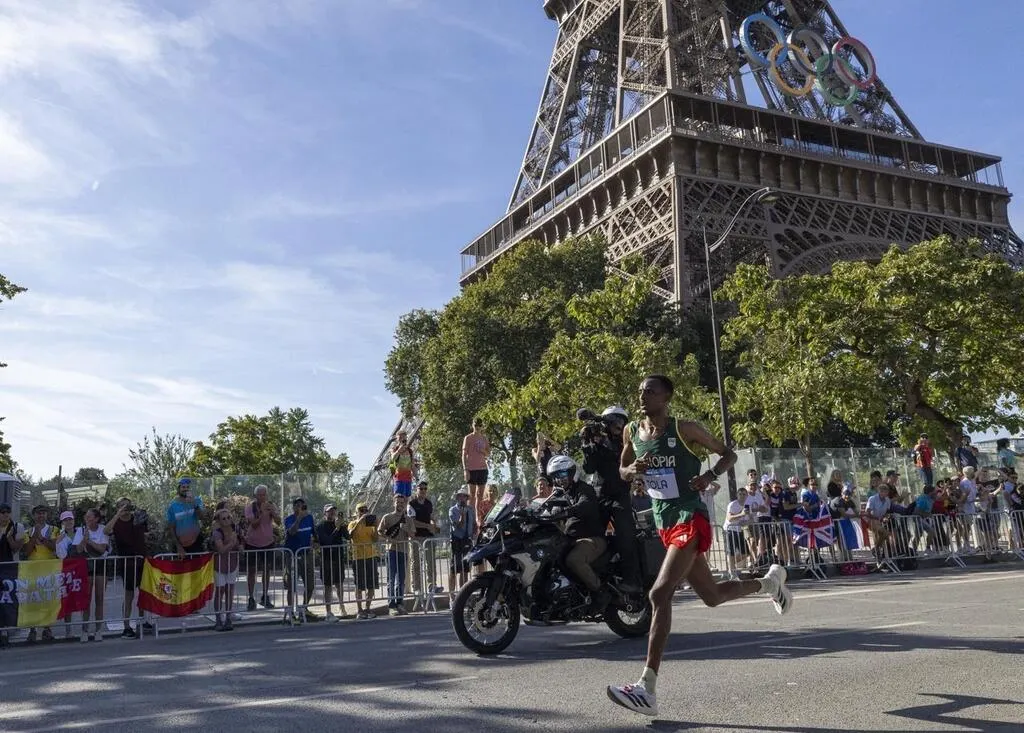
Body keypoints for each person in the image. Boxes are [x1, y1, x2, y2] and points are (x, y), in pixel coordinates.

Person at [607, 374, 792, 717]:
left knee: (659, 594)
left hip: (690, 517)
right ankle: (770, 581)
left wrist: (708, 476)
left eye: (650, 391)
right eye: (640, 391)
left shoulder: (686, 429)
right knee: (712, 596)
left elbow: (729, 455)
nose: (643, 395)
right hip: (665, 521)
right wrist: (631, 469)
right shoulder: (632, 431)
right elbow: (622, 469)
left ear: (667, 398)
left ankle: (646, 688)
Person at [580, 405, 642, 593]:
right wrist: (587, 444)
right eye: (614, 420)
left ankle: (632, 580)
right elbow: (589, 468)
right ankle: (591, 575)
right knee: (589, 534)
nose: (619, 424)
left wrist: (601, 441)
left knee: (626, 535)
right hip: (600, 495)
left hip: (620, 496)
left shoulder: (626, 444)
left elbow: (621, 458)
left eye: (621, 420)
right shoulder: (598, 442)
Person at [545, 454, 610, 613]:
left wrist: (565, 511)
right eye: (555, 476)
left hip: (592, 539)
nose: (559, 480)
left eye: (562, 475)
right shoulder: (561, 493)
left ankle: (600, 592)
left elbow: (585, 505)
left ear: (572, 472)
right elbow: (545, 506)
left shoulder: (584, 489)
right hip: (570, 540)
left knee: (574, 560)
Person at [103, 498, 150, 639]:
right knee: (128, 595)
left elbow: (145, 533)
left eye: (127, 505)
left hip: (141, 559)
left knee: (143, 593)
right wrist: (117, 514)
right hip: (127, 562)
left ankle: (143, 621)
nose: (125, 508)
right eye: (121, 505)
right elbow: (106, 530)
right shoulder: (116, 522)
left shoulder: (137, 519)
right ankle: (126, 625)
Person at [22, 504, 58, 643]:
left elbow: (54, 546)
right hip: (33, 570)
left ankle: (47, 629)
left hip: (49, 569)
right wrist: (34, 536)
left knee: (48, 600)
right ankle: (32, 629)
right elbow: (27, 551)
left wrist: (42, 539)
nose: (40, 516)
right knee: (33, 600)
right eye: (38, 513)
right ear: (34, 516)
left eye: (43, 513)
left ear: (47, 515)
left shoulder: (54, 530)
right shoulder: (28, 531)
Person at [74, 508, 110, 642]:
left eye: (90, 517)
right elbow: (78, 549)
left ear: (96, 518)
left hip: (101, 565)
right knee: (86, 599)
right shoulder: (80, 530)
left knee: (99, 598)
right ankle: (84, 630)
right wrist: (84, 539)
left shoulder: (103, 529)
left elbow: (102, 549)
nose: (87, 519)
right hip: (86, 566)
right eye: (86, 516)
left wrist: (89, 541)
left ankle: (98, 629)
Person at [244, 484, 280, 611]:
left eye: (264, 494)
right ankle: (251, 598)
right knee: (252, 571)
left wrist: (273, 513)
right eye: (260, 494)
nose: (262, 497)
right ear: (255, 495)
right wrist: (261, 512)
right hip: (252, 543)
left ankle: (265, 596)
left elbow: (279, 522)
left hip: (268, 543)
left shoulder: (271, 505)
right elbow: (253, 524)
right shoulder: (250, 507)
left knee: (266, 570)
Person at [377, 494, 414, 616]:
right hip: (391, 550)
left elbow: (412, 535)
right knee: (391, 579)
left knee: (401, 579)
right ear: (394, 503)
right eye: (398, 502)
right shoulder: (387, 517)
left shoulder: (408, 519)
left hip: (403, 551)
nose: (400, 504)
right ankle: (391, 605)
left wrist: (405, 529)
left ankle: (400, 603)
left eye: (402, 503)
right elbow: (379, 531)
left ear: (405, 504)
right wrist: (388, 538)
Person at [283, 497, 318, 624]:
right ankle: (290, 612)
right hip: (292, 556)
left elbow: (314, 533)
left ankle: (303, 609)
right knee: (291, 586)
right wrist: (298, 518)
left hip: (306, 554)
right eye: (298, 506)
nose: (300, 508)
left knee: (310, 584)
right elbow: (291, 532)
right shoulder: (288, 519)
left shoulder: (309, 518)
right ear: (294, 507)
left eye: (303, 506)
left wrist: (315, 542)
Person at [315, 504, 350, 621]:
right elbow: (327, 541)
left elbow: (348, 537)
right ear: (325, 513)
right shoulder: (320, 526)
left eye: (333, 511)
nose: (332, 513)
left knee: (339, 583)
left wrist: (342, 526)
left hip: (338, 557)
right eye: (329, 511)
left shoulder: (339, 524)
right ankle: (328, 611)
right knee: (328, 585)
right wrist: (336, 528)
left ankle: (342, 606)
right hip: (326, 559)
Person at [408, 481, 439, 602]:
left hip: (429, 537)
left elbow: (431, 517)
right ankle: (417, 588)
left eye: (425, 489)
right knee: (415, 563)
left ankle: (432, 585)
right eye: (421, 489)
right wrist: (427, 526)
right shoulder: (411, 503)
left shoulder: (429, 503)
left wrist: (434, 524)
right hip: (416, 537)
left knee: (431, 562)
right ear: (416, 490)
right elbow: (412, 521)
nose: (423, 491)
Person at [347, 503, 379, 620]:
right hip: (358, 558)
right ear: (357, 512)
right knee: (359, 585)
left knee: (371, 584)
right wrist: (359, 521)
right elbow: (350, 535)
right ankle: (359, 610)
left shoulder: (369, 525)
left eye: (366, 510)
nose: (364, 512)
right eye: (361, 510)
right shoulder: (352, 523)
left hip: (371, 556)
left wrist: (375, 527)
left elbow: (375, 539)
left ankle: (367, 608)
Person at [211, 508, 240, 631]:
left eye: (228, 517)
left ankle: (228, 617)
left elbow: (239, 545)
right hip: (219, 565)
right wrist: (232, 543)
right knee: (220, 591)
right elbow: (221, 549)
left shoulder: (236, 530)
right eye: (224, 518)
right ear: (219, 521)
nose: (227, 520)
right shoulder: (217, 533)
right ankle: (218, 619)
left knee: (230, 590)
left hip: (232, 564)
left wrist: (238, 544)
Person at [0, 502, 25, 647]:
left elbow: (16, 549)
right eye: (2, 512)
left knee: (8, 599)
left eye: (7, 512)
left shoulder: (17, 527)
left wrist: (9, 538)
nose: (5, 515)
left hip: (10, 568)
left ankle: (6, 631)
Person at [166, 477, 205, 558]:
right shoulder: (173, 506)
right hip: (180, 545)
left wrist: (194, 504)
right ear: (178, 489)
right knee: (180, 570)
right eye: (183, 487)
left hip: (196, 543)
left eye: (188, 487)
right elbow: (171, 528)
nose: (185, 489)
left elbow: (202, 517)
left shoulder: (197, 500)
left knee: (197, 570)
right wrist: (178, 546)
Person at [448, 487, 476, 599]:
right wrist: (462, 515)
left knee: (465, 569)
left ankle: (462, 596)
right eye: (460, 496)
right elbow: (458, 525)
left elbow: (473, 524)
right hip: (456, 541)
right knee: (454, 569)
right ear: (457, 497)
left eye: (464, 496)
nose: (462, 498)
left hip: (467, 541)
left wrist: (474, 532)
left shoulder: (470, 509)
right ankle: (451, 597)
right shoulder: (453, 510)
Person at [462, 418, 490, 515]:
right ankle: (470, 516)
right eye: (475, 425)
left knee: (480, 495)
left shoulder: (484, 438)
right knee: (472, 495)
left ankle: (478, 516)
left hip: (483, 469)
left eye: (479, 425)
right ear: (472, 425)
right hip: (471, 469)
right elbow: (464, 455)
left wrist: (483, 451)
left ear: (482, 426)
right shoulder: (468, 438)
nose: (477, 427)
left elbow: (488, 453)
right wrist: (465, 470)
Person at [390, 431, 417, 498]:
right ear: (397, 439)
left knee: (407, 498)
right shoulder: (394, 449)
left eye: (404, 438)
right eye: (400, 438)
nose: (402, 440)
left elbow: (412, 465)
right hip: (398, 479)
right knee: (399, 498)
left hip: (408, 479)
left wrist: (417, 477)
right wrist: (399, 450)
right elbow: (393, 458)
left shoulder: (410, 451)